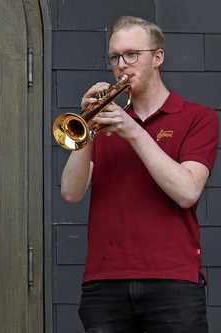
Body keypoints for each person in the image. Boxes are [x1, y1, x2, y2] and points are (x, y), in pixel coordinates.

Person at [60, 16, 218, 333]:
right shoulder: (105, 124)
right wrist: (86, 128)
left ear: (157, 57)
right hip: (104, 282)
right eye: (115, 57)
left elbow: (187, 191)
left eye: (132, 54)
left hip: (173, 280)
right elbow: (71, 192)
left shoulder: (197, 118)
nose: (122, 65)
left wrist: (131, 130)